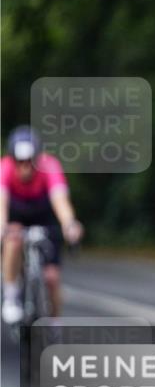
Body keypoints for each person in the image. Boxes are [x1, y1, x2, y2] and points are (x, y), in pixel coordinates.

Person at [0, 126, 84, 324]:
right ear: (13, 159)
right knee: (13, 241)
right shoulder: (4, 168)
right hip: (16, 220)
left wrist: (69, 224)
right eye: (20, 161)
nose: (25, 167)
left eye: (30, 161)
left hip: (45, 220)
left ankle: (54, 324)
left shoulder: (50, 166)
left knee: (52, 278)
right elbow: (1, 202)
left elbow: (60, 200)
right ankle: (11, 296)